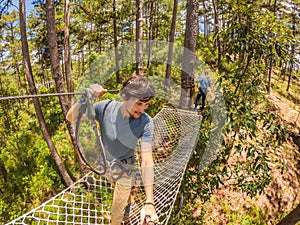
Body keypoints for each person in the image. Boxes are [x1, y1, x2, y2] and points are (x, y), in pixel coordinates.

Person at [66, 75, 159, 225]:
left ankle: (123, 215)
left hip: (126, 169)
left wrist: (149, 201)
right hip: (107, 166)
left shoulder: (146, 122)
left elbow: (147, 160)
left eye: (146, 105)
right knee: (118, 190)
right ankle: (130, 202)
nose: (142, 109)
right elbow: (71, 117)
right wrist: (86, 97)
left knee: (116, 216)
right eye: (139, 103)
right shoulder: (105, 108)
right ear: (124, 96)